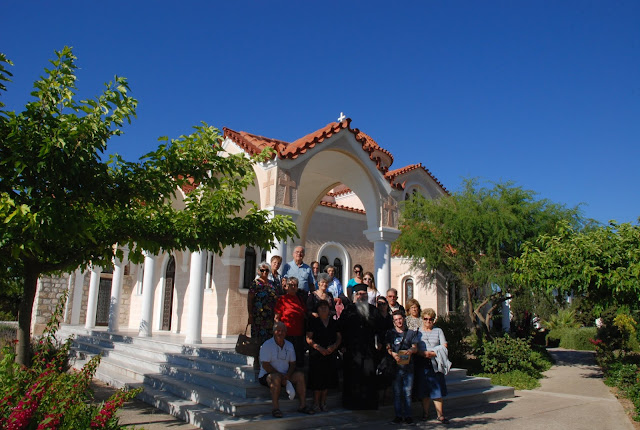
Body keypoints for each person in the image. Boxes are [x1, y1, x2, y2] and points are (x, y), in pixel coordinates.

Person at [338, 283, 386, 410]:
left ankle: (368, 404)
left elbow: (381, 329)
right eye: (359, 294)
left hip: (369, 349)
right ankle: (352, 404)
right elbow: (341, 329)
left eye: (364, 294)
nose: (361, 296)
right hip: (352, 349)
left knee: (369, 375)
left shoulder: (373, 310)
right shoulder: (348, 310)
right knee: (352, 376)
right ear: (355, 295)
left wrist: (379, 341)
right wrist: (342, 345)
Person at [258, 322, 315, 418]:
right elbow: (265, 365)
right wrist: (280, 376)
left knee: (300, 376)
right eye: (278, 330)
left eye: (283, 331)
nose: (281, 333)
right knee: (276, 378)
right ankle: (275, 408)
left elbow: (292, 363)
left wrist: (288, 375)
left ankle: (303, 406)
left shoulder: (289, 345)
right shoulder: (267, 345)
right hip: (269, 374)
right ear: (274, 332)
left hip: (285, 375)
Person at [306, 300, 342, 412]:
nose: (323, 309)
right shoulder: (313, 322)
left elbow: (339, 337)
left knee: (327, 379)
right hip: (317, 354)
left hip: (330, 353)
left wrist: (334, 346)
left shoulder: (334, 322)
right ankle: (316, 403)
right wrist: (319, 348)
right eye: (321, 307)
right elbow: (308, 338)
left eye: (325, 307)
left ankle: (323, 402)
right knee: (317, 379)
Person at [416, 308, 450, 424]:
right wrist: (422, 353)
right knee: (424, 390)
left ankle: (440, 415)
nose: (428, 321)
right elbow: (415, 347)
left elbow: (444, 345)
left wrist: (433, 353)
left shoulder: (438, 331)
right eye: (425, 319)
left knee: (437, 390)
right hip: (422, 362)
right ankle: (425, 414)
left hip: (435, 362)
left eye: (430, 319)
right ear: (422, 319)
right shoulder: (418, 332)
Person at [385, 311, 419, 425]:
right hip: (396, 367)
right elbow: (388, 347)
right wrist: (392, 353)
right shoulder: (390, 333)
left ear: (403, 319)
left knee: (408, 393)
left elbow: (415, 347)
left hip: (408, 367)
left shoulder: (411, 333)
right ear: (393, 321)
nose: (398, 321)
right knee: (397, 393)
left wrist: (410, 351)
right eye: (396, 320)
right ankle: (398, 416)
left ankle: (408, 416)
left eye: (400, 319)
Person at [274, 277, 308, 368]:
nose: (293, 287)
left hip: (299, 335)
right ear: (286, 287)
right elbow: (277, 317)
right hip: (286, 335)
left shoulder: (300, 299)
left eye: (295, 285)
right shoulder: (282, 299)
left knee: (298, 361)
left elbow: (304, 314)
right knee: (286, 361)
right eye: (291, 285)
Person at [247, 262, 278, 348]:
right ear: (258, 271)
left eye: (267, 270)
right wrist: (250, 314)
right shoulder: (255, 284)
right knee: (257, 340)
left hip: (270, 317)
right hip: (258, 316)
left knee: (269, 340)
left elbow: (276, 298)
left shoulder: (272, 284)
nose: (264, 272)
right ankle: (256, 355)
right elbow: (250, 300)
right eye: (262, 270)